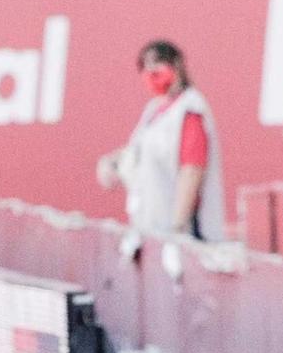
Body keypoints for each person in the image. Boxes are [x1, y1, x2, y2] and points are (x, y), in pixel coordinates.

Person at [95, 40, 226, 242]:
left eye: (157, 65)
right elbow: (138, 151)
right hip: (149, 226)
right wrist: (111, 162)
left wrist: (178, 227)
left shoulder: (190, 110)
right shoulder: (154, 110)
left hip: (179, 232)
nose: (151, 72)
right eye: (145, 67)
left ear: (177, 65)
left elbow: (191, 170)